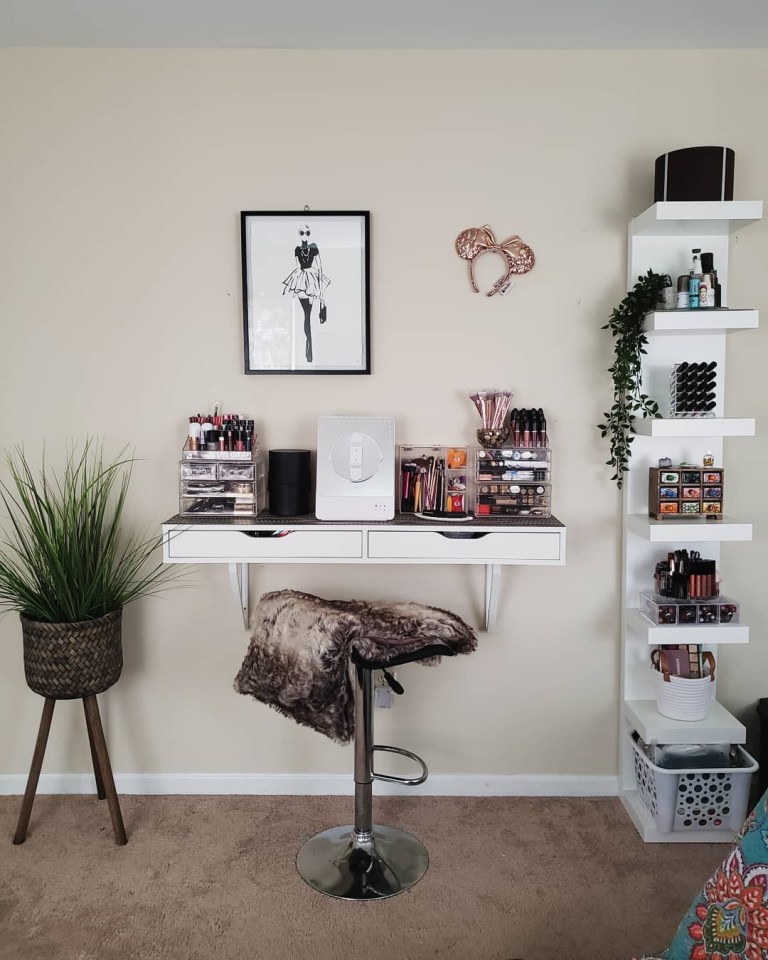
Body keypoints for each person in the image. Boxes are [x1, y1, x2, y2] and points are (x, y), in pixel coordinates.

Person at [282, 224, 329, 363]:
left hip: (312, 281)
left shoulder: (314, 247)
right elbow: (297, 268)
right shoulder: (297, 249)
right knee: (306, 315)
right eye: (302, 232)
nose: (304, 235)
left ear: (310, 234)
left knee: (308, 315)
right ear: (299, 234)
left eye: (307, 232)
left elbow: (320, 268)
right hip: (303, 281)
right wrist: (293, 286)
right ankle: (309, 351)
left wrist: (321, 291)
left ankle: (309, 351)